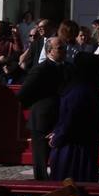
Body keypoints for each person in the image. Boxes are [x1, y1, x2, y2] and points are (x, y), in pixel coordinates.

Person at [47, 55, 99, 182]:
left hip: (74, 149)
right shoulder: (87, 88)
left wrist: (57, 137)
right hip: (81, 145)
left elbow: (70, 120)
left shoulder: (79, 91)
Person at [19, 36, 67, 180]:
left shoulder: (67, 67)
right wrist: (39, 106)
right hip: (42, 119)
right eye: (60, 48)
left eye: (64, 48)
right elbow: (23, 94)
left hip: (60, 116)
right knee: (41, 158)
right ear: (49, 51)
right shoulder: (40, 69)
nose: (64, 51)